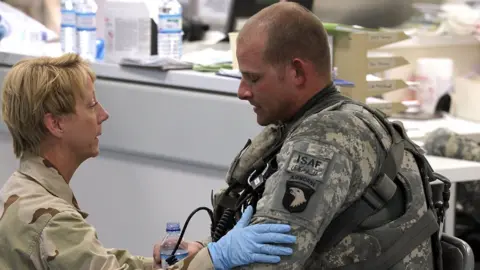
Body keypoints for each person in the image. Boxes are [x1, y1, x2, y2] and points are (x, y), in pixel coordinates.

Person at [167, 2, 447, 269]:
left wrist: (205, 262)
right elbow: (257, 235)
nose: (242, 91)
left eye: (253, 78)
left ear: (298, 72)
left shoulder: (324, 141)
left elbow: (265, 264)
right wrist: (206, 252)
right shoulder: (314, 123)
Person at [0, 53, 297, 270]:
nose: (103, 115)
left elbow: (96, 262)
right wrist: (217, 257)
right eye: (91, 105)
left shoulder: (23, 192)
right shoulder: (51, 219)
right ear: (56, 124)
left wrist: (165, 264)